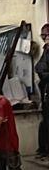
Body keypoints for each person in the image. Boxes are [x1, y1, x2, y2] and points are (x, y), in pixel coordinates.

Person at [36, 24, 49, 159]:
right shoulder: (46, 50)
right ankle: (43, 149)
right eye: (43, 36)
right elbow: (38, 67)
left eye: (46, 35)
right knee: (44, 123)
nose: (44, 38)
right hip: (46, 93)